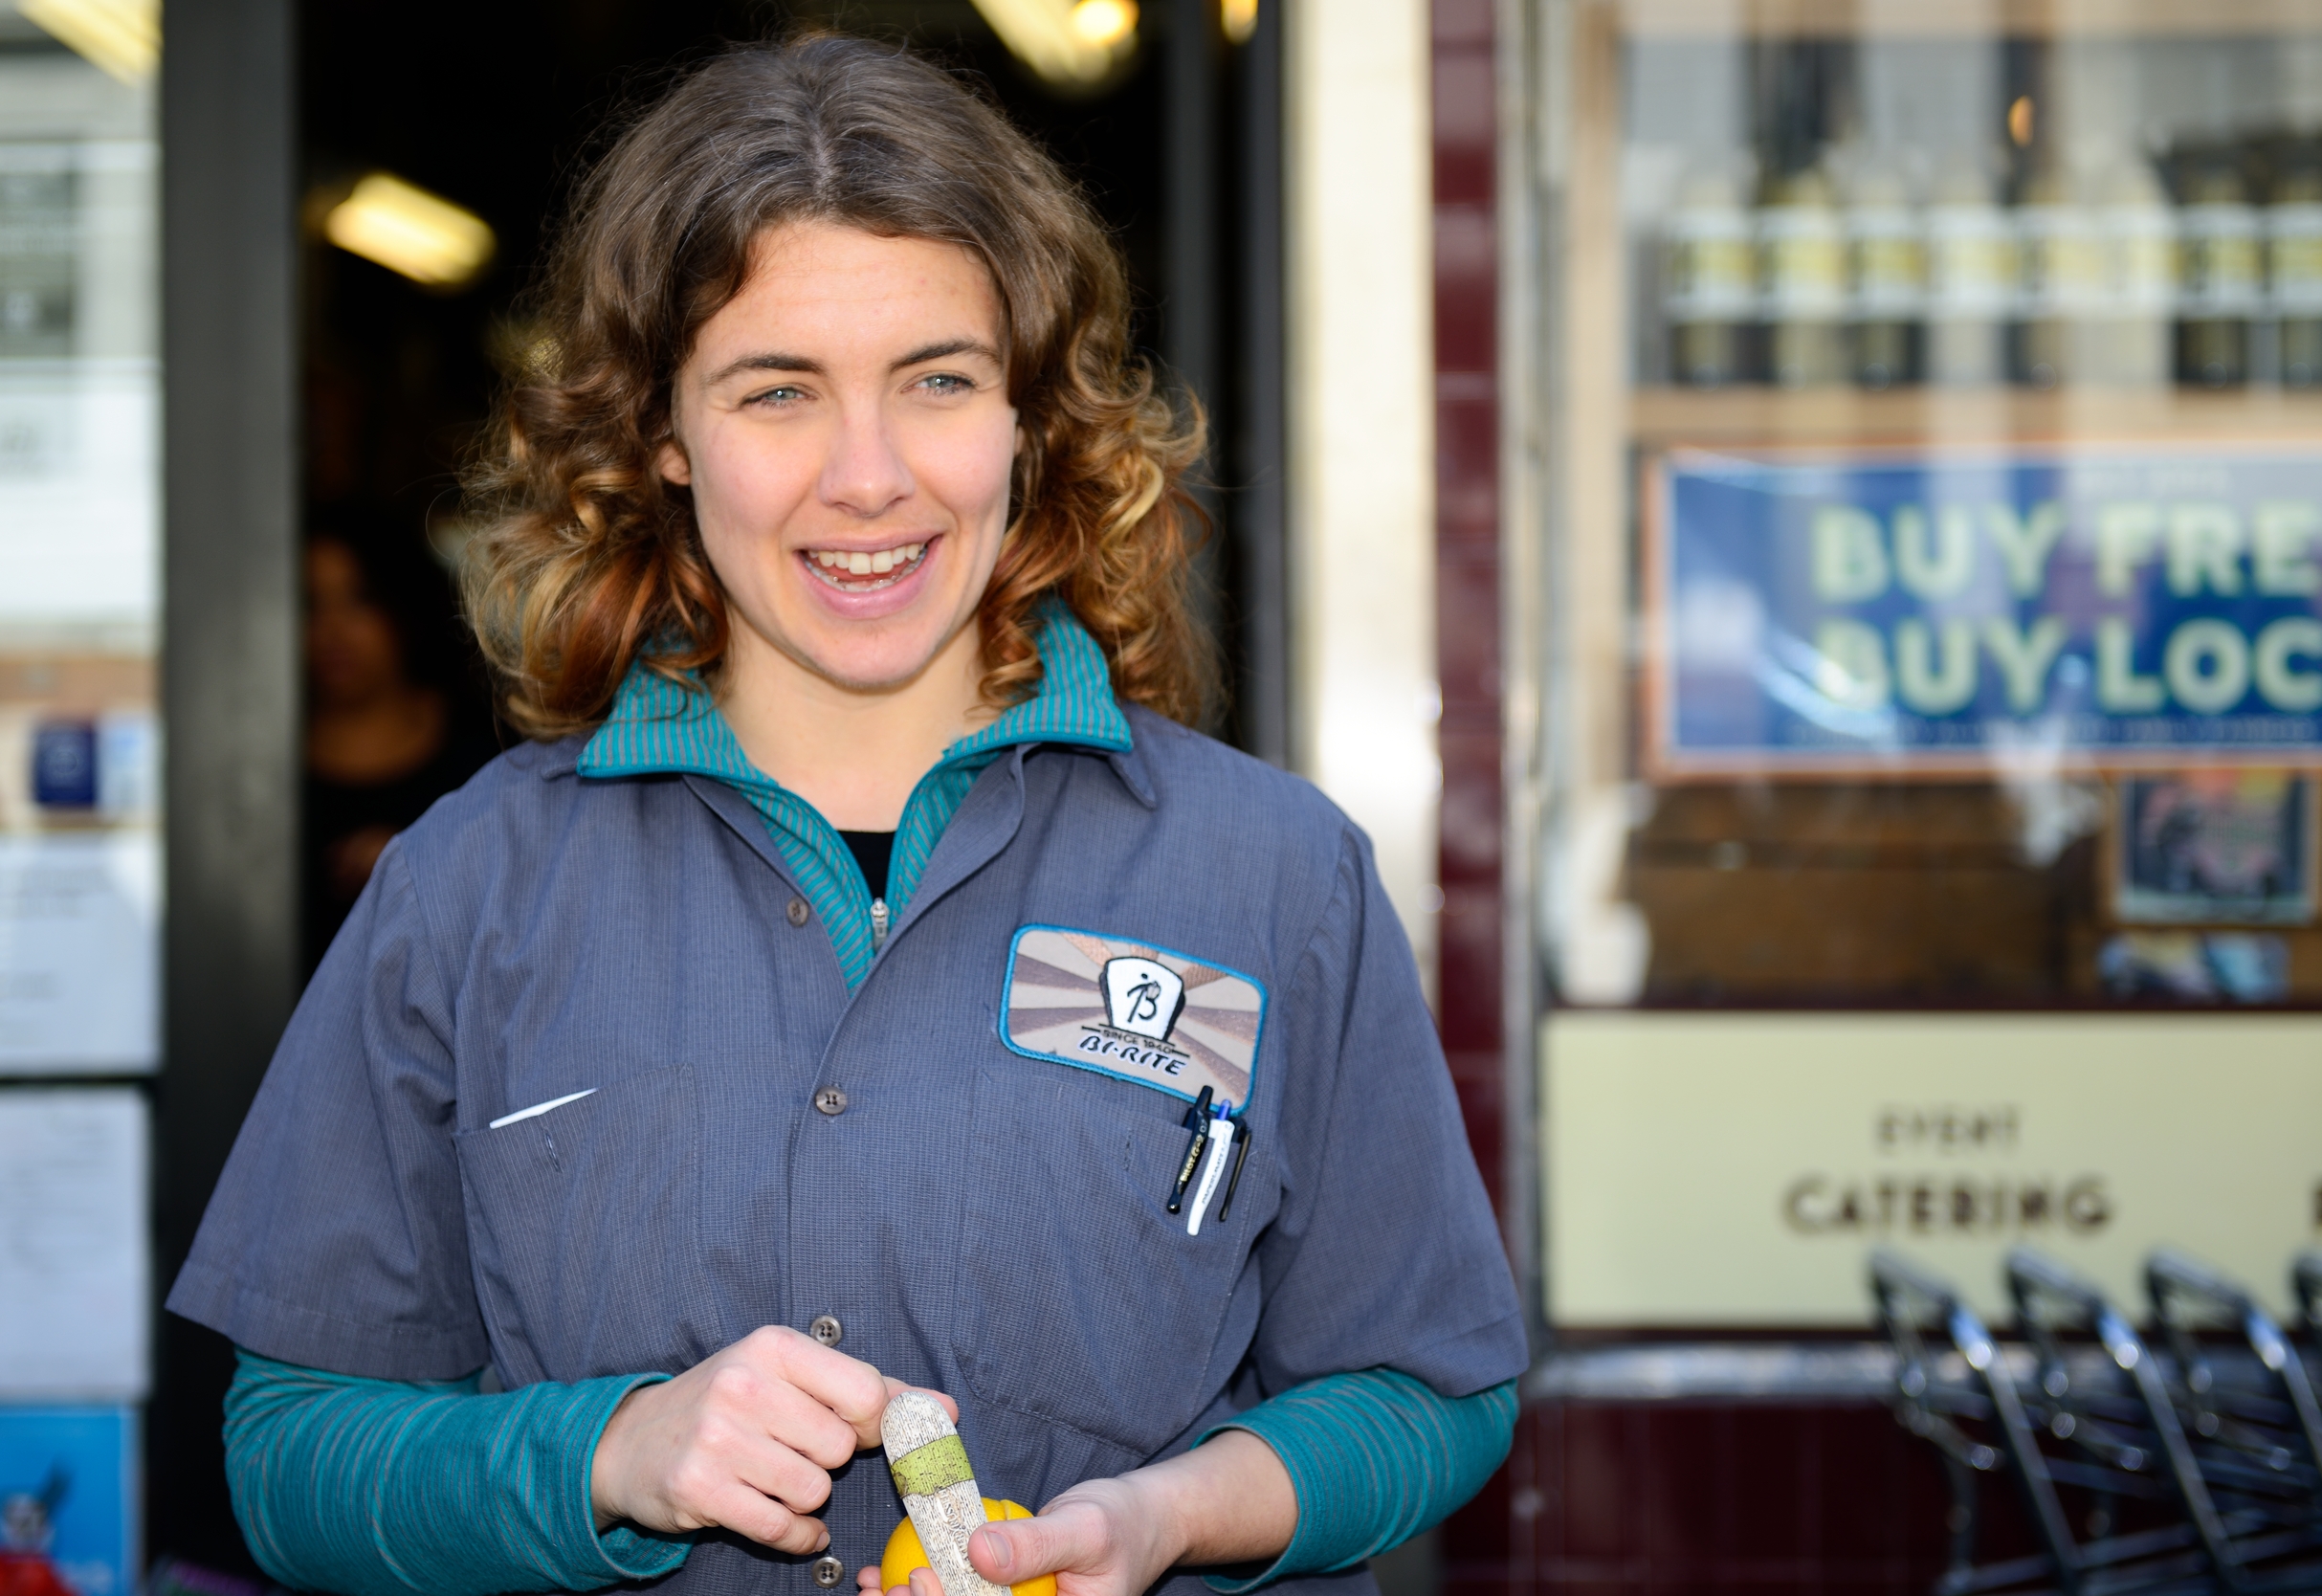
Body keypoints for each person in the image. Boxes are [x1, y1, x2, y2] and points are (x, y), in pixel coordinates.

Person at [168, 33, 1524, 1596]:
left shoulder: (1271, 870)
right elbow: (286, 1455)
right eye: (777, 391)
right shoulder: (474, 888)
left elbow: (1431, 1385)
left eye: (937, 381)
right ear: (664, 435)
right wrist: (609, 1452)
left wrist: (1167, 1515)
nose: (868, 478)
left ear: (1030, 415)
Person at [301, 516, 499, 964]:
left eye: (360, 599)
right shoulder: (253, 766)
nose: (332, 630)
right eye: (310, 604)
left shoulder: (488, 746)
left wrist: (423, 868)